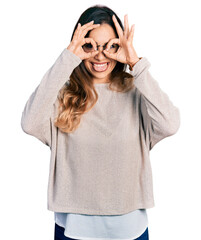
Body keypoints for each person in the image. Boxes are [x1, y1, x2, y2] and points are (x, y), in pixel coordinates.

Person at [20, 4, 180, 240]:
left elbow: (170, 124)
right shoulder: (63, 94)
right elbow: (29, 123)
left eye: (111, 46)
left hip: (130, 228)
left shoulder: (137, 90)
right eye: (90, 45)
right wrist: (67, 59)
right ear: (79, 46)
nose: (100, 55)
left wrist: (135, 63)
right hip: (74, 229)